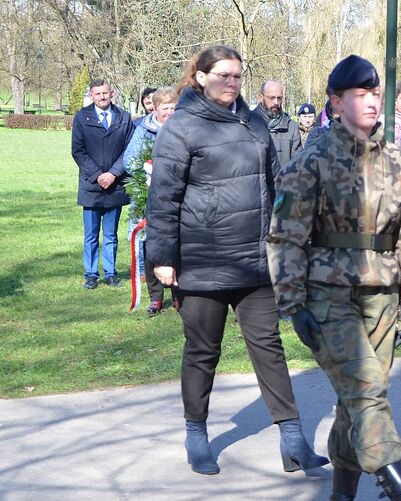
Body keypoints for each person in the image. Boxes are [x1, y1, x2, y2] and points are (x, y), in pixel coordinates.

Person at [268, 55, 401, 501]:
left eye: (374, 93)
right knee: (366, 393)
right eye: (359, 94)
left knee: (358, 402)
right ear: (336, 102)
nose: (370, 101)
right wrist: (292, 303)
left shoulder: (397, 162)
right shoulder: (312, 160)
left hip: (382, 295)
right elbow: (285, 236)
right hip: (328, 295)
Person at [144, 45, 327, 476]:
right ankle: (196, 433)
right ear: (200, 77)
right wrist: (162, 258)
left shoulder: (254, 123)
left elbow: (272, 187)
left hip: (253, 260)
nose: (231, 82)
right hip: (200, 262)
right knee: (202, 351)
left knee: (268, 347)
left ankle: (293, 438)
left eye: (237, 76)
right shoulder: (181, 127)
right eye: (223, 75)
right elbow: (163, 199)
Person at [71, 79, 135, 289]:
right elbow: (78, 151)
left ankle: (110, 273)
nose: (102, 97)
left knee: (110, 235)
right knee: (91, 235)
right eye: (97, 94)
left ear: (112, 93)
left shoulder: (124, 117)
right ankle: (91, 274)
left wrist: (114, 173)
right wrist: (98, 175)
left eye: (105, 93)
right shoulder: (82, 117)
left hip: (115, 186)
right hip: (91, 185)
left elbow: (129, 150)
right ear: (91, 95)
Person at [123, 86, 178, 315]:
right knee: (150, 244)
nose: (170, 112)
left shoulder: (182, 129)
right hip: (149, 196)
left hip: (177, 196)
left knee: (177, 243)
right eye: (165, 108)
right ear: (155, 108)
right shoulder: (143, 130)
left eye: (173, 108)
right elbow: (130, 161)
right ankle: (156, 297)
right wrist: (148, 174)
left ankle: (179, 294)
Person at [255, 80, 302, 169]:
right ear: (260, 97)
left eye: (279, 98)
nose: (276, 102)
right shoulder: (247, 124)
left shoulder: (291, 128)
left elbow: (298, 165)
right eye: (272, 98)